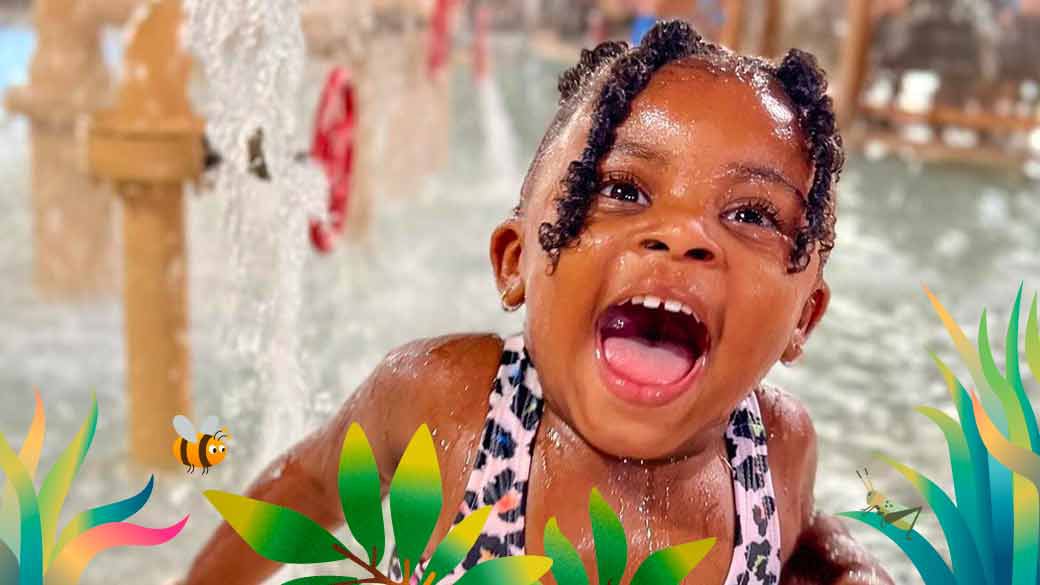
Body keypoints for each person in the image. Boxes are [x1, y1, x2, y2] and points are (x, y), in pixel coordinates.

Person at [182, 20, 892, 585]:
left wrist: (846, 563)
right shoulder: (448, 407)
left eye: (751, 215)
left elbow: (805, 531)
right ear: (515, 261)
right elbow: (305, 483)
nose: (683, 235)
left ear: (804, 318)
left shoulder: (774, 450)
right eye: (623, 189)